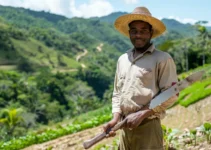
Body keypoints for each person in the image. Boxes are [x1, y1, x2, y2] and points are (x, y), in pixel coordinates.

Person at [103, 6, 178, 150]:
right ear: (129, 33)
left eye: (143, 30)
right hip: (124, 129)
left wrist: (143, 113)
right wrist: (115, 118)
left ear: (151, 32)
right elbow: (117, 93)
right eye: (134, 31)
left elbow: (171, 93)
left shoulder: (162, 59)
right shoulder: (122, 60)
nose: (139, 35)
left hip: (148, 128)